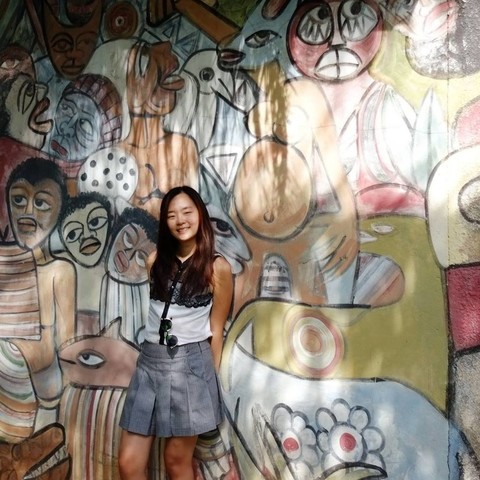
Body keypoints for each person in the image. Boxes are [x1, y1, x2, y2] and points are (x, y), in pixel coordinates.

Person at [118, 186, 233, 480]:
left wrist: (208, 380)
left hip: (191, 365)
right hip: (149, 364)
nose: (180, 220)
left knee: (175, 460)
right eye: (171, 215)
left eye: (187, 212)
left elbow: (216, 329)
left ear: (200, 215)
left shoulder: (217, 267)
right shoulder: (155, 260)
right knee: (129, 463)